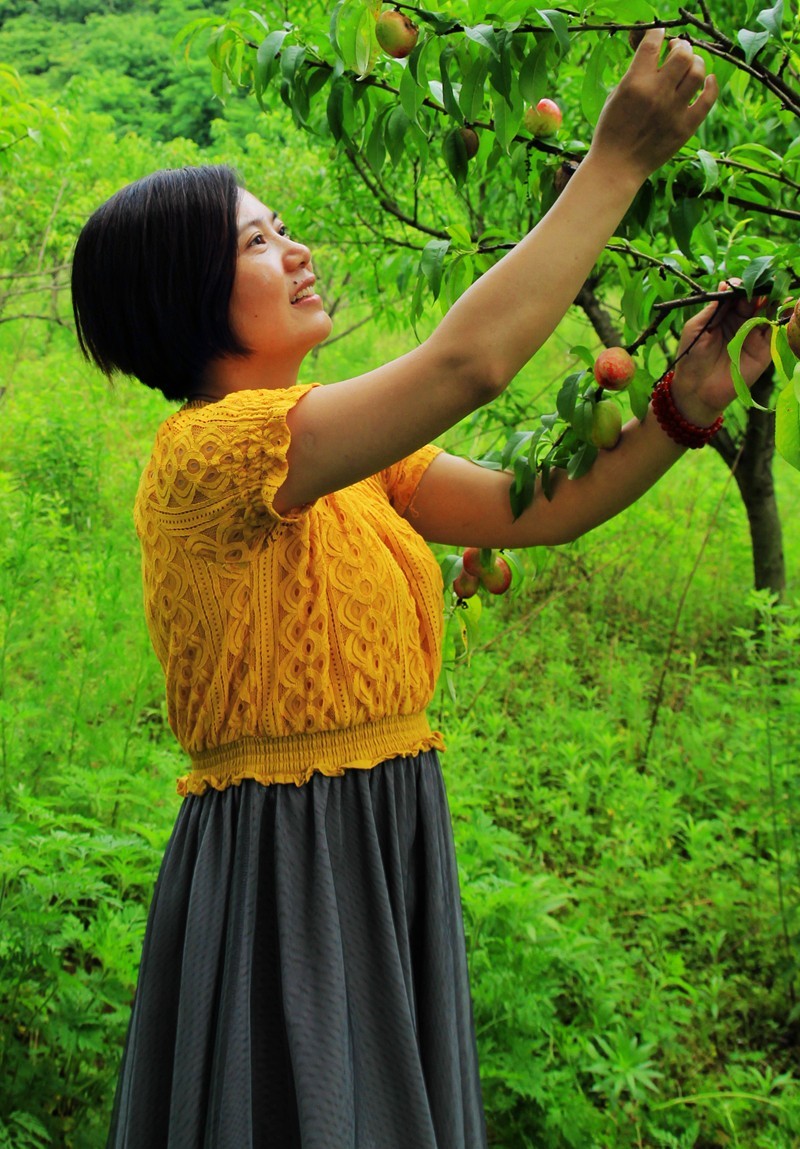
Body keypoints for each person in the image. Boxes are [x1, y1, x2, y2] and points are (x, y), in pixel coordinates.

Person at [71, 29, 770, 1149]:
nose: (294, 250)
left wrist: (683, 410)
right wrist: (615, 164)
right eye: (257, 239)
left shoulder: (337, 453)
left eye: (281, 226)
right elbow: (466, 366)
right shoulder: (214, 453)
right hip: (288, 864)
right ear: (184, 294)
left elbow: (529, 513)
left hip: (380, 825)